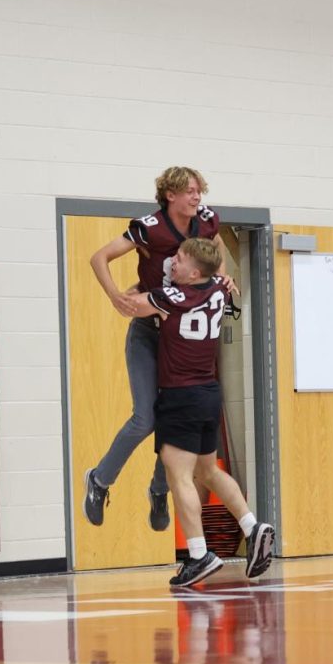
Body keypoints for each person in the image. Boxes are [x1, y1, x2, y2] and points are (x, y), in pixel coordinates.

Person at [85, 166, 233, 532]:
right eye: (191, 192)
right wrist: (116, 295)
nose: (198, 198)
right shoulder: (148, 226)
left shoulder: (208, 220)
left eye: (200, 191)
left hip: (179, 336)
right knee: (145, 418)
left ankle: (158, 490)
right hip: (149, 330)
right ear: (171, 195)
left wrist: (222, 274)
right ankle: (100, 480)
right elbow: (98, 258)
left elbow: (217, 251)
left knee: (173, 417)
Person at [125, 238, 273, 587]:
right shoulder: (219, 290)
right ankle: (252, 527)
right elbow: (219, 276)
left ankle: (197, 554)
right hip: (209, 392)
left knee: (179, 477)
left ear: (194, 272)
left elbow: (131, 306)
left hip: (180, 396)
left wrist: (135, 287)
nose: (171, 262)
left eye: (178, 259)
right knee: (207, 470)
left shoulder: (172, 298)